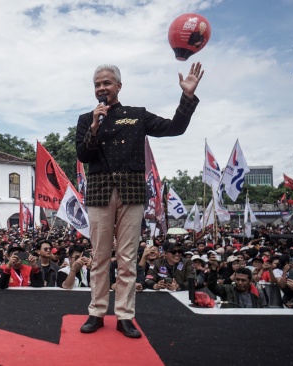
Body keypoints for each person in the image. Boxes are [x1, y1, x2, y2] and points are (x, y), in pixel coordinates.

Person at [75, 62, 203, 338]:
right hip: (99, 192)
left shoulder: (136, 115)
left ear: (119, 86)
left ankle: (124, 315)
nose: (101, 88)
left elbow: (174, 128)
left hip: (131, 191)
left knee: (127, 258)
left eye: (107, 83)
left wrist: (187, 97)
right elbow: (84, 156)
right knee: (98, 257)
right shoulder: (87, 119)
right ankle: (96, 312)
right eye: (97, 84)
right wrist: (95, 127)